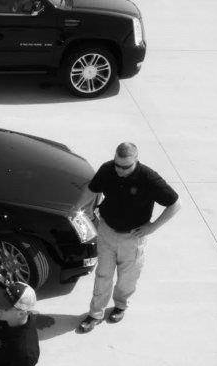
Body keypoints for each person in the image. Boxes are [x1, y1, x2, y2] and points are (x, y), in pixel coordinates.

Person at [77, 142, 181, 333]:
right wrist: (85, 211)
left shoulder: (149, 178)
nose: (120, 170)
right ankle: (95, 314)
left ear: (136, 161)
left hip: (133, 238)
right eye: (117, 165)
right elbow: (91, 190)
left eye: (125, 167)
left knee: (127, 278)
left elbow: (175, 204)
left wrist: (152, 227)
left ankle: (120, 305)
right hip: (107, 232)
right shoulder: (108, 169)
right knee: (103, 275)